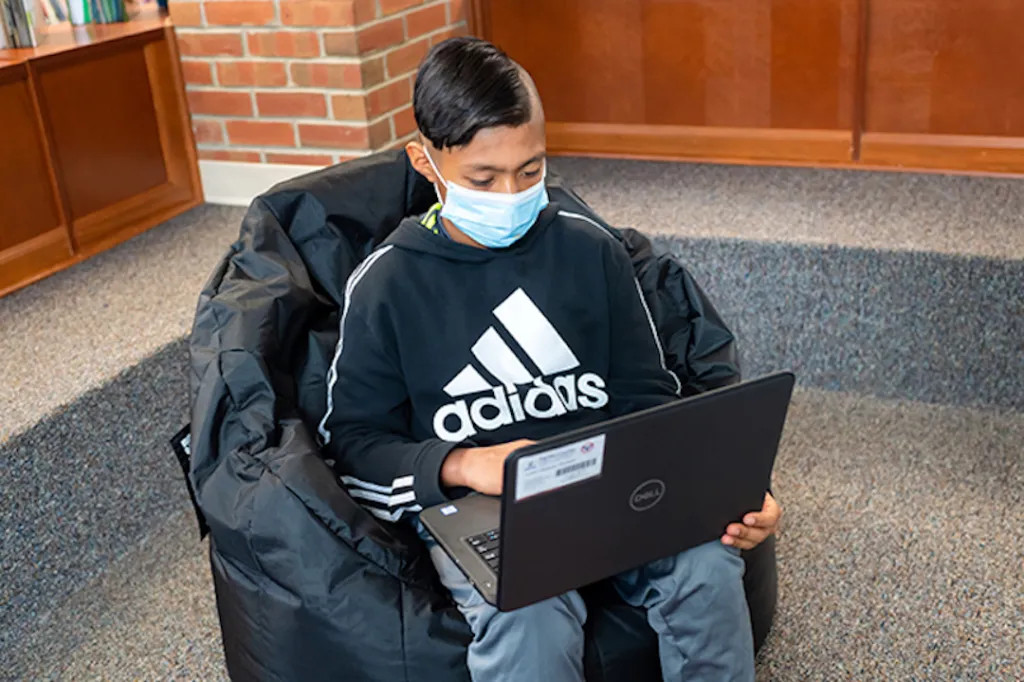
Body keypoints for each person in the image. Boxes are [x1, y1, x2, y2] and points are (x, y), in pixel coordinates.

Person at [318, 37, 781, 682]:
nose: (510, 194)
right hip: (488, 508)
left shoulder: (591, 249)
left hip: (609, 481)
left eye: (531, 169)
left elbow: (650, 399)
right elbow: (352, 445)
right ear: (425, 162)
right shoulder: (387, 284)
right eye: (483, 179)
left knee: (706, 564)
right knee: (528, 611)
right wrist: (466, 464)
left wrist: (726, 491)